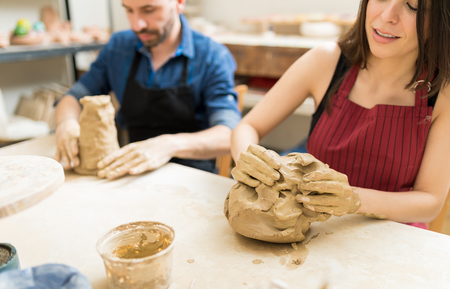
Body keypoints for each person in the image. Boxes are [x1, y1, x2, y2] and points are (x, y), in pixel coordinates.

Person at [230, 0, 450, 229]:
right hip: (315, 229)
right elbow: (248, 127)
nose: (387, 16)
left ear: (438, 21)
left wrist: (354, 199)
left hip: (395, 237)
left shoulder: (442, 93)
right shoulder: (327, 61)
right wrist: (249, 158)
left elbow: (430, 201)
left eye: (412, 6)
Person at [54, 0, 241, 178]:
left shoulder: (212, 56)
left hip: (192, 176)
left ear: (179, 3)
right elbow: (73, 97)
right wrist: (66, 123)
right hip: (130, 170)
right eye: (129, 10)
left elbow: (229, 134)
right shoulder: (118, 47)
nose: (137, 25)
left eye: (149, 9)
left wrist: (168, 145)